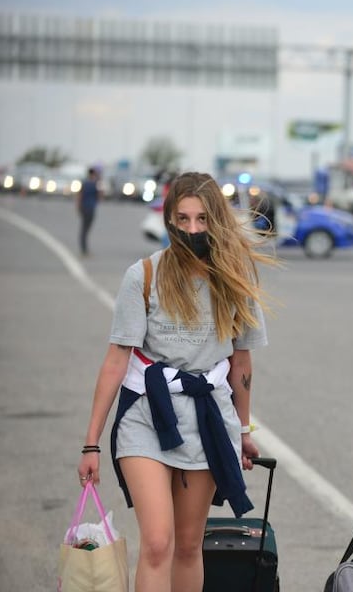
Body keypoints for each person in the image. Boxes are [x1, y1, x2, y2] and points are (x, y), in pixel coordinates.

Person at [76, 172, 276, 592]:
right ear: (168, 220)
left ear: (217, 222)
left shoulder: (235, 280)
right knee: (158, 542)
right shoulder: (144, 275)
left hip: (206, 419)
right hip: (147, 416)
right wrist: (91, 441)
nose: (192, 229)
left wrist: (242, 430)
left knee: (187, 546)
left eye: (202, 219)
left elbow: (241, 365)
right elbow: (117, 360)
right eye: (182, 219)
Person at [77, 166, 102, 256]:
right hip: (90, 208)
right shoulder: (95, 184)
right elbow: (99, 197)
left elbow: (79, 196)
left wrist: (78, 207)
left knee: (84, 229)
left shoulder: (84, 183)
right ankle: (84, 250)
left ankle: (84, 249)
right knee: (86, 229)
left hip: (84, 208)